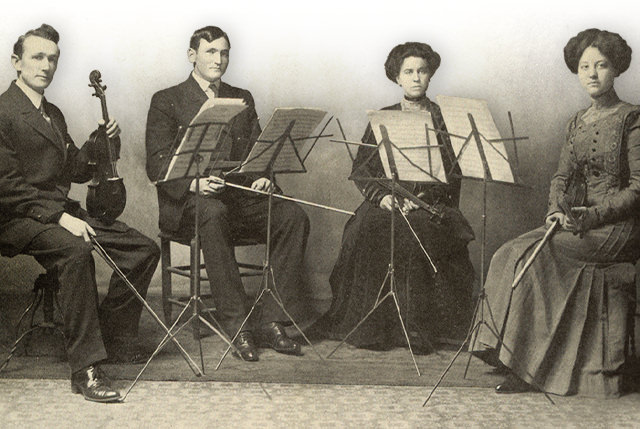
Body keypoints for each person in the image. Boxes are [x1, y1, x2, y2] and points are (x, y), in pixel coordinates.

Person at [470, 29, 640, 398]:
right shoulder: (576, 121)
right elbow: (561, 177)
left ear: (617, 69)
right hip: (578, 221)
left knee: (539, 257)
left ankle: (530, 366)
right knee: (509, 253)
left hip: (618, 228)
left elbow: (639, 188)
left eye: (601, 65)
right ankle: (508, 353)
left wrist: (590, 217)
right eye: (584, 67)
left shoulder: (633, 119)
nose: (592, 74)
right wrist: (554, 212)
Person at [0, 24, 160, 403]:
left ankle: (113, 335)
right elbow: (6, 186)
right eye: (37, 57)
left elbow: (76, 169)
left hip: (57, 212)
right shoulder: (3, 112)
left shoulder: (52, 113)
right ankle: (85, 368)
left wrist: (99, 141)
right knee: (76, 251)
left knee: (143, 249)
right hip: (16, 217)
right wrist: (59, 218)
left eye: (52, 58)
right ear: (16, 62)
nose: (46, 65)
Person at [145, 26, 309, 361]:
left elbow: (259, 150)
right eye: (210, 52)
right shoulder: (167, 99)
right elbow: (156, 164)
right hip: (188, 203)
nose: (219, 60)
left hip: (236, 199)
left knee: (293, 215)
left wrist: (264, 178)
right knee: (212, 212)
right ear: (192, 56)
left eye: (224, 53)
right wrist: (194, 184)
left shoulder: (241, 96)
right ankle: (239, 327)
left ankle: (272, 321)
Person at [316, 42, 475, 351]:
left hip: (432, 205)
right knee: (367, 224)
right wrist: (382, 197)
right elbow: (363, 170)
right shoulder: (383, 117)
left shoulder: (445, 119)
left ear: (430, 76)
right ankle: (372, 327)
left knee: (415, 228)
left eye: (422, 71)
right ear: (397, 78)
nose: (416, 78)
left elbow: (454, 174)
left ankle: (415, 328)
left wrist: (419, 199)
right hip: (389, 200)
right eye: (409, 72)